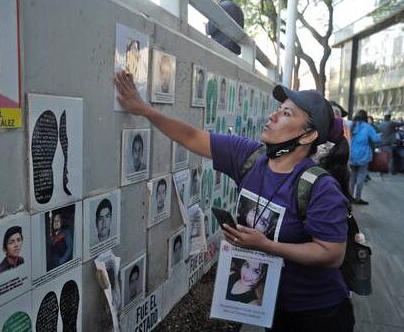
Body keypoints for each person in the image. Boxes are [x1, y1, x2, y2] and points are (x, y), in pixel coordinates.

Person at [115, 71, 355, 331]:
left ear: (307, 136)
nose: (273, 116)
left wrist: (266, 245)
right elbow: (192, 137)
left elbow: (331, 254)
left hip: (318, 313)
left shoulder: (320, 186)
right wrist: (144, 110)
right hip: (272, 305)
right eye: (278, 109)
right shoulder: (249, 157)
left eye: (287, 114)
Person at [349, 110, 380, 205]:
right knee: (361, 177)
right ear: (365, 117)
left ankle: (350, 198)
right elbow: (376, 139)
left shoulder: (351, 125)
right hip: (363, 156)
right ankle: (358, 198)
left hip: (352, 154)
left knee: (352, 177)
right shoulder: (368, 127)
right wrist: (379, 135)